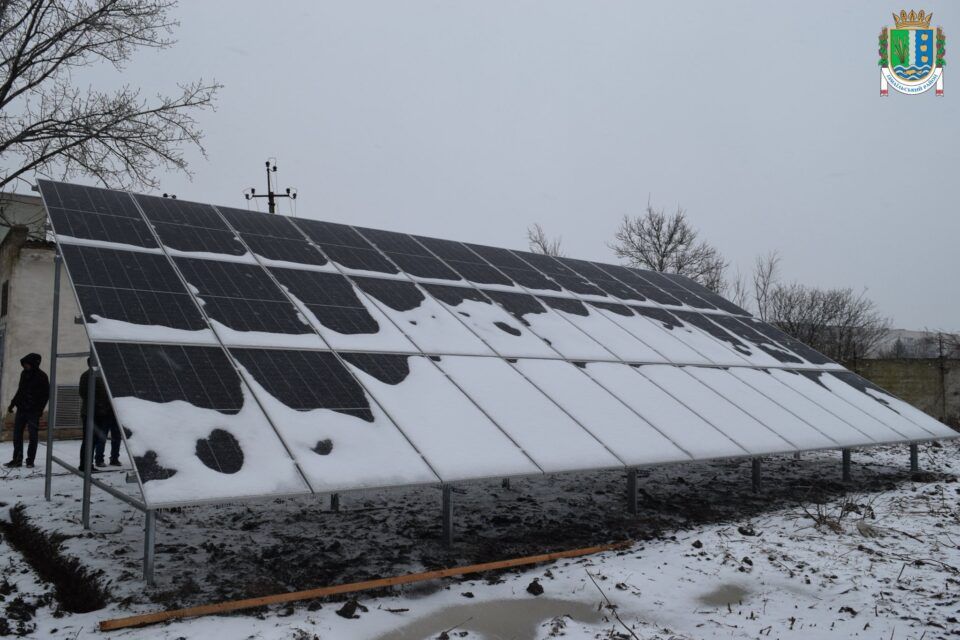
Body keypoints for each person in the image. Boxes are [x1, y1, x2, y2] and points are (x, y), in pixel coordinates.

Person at [5, 353, 50, 468]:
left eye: (27, 364)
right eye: (24, 364)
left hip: (33, 411)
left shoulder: (42, 376)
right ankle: (17, 459)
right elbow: (20, 390)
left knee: (33, 436)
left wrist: (39, 410)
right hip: (21, 409)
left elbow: (45, 395)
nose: (25, 366)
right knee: (17, 435)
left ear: (34, 364)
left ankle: (30, 460)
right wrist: (12, 404)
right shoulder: (24, 374)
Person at [79, 359, 120, 469]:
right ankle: (85, 464)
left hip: (102, 413)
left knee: (94, 440)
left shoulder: (103, 375)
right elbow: (83, 393)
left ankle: (87, 464)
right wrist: (99, 405)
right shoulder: (87, 375)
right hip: (91, 413)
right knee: (89, 440)